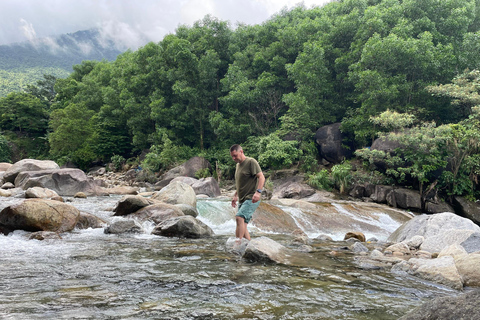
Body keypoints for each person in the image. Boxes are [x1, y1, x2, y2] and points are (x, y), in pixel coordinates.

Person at [230, 144, 265, 241]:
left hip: (251, 198)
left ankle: (238, 243)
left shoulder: (251, 162)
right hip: (242, 199)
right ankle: (249, 245)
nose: (233, 158)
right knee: (242, 225)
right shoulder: (238, 165)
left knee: (239, 218)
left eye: (235, 155)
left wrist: (258, 192)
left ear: (241, 152)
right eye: (232, 156)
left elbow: (261, 177)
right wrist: (235, 196)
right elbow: (240, 183)